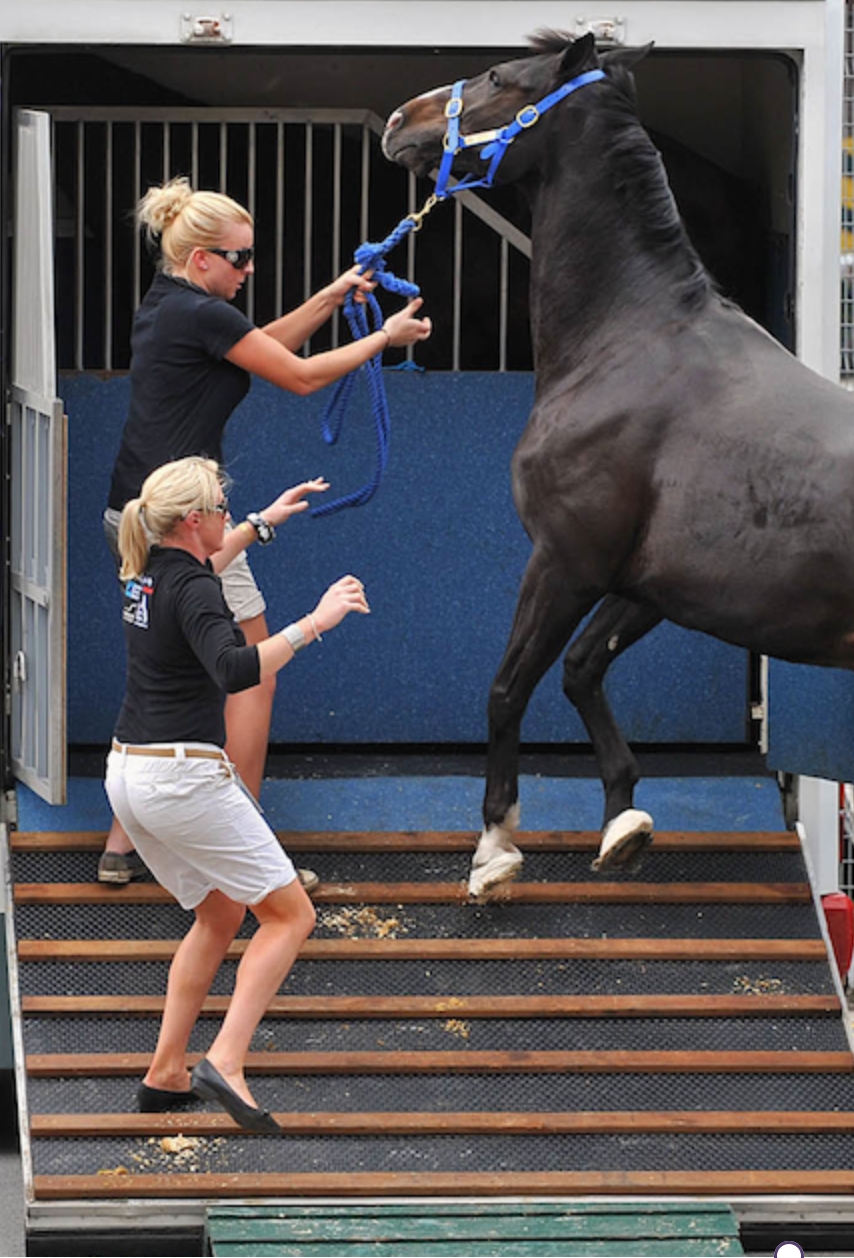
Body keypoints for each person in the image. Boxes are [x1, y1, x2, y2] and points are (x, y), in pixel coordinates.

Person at [98, 175, 431, 884]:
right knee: (253, 676)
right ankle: (245, 843)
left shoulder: (170, 305)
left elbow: (263, 348)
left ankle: (120, 846)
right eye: (239, 259)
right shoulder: (202, 314)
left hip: (133, 511)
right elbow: (301, 376)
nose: (250, 270)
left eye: (252, 256)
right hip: (185, 524)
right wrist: (383, 337)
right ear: (200, 261)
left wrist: (331, 296)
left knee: (163, 664)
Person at [108, 456, 369, 1130]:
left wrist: (263, 522)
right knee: (289, 916)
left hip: (129, 774)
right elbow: (233, 670)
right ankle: (225, 1058)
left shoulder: (148, 571)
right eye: (222, 509)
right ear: (192, 520)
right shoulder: (196, 588)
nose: (228, 516)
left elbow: (209, 560)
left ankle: (165, 1073)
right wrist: (314, 622)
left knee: (221, 914)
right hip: (184, 776)